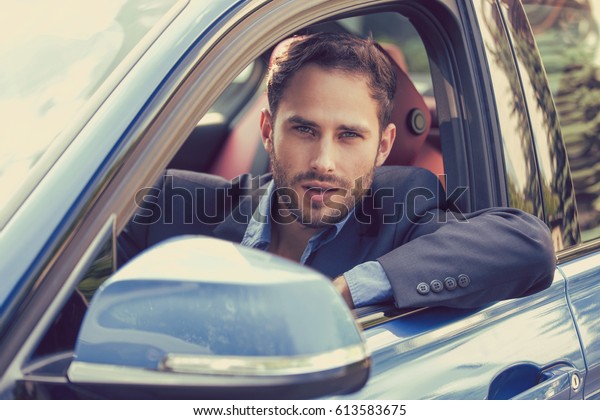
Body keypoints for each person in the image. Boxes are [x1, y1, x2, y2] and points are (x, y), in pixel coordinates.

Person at [118, 32, 556, 309]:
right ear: (268, 131)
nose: (323, 161)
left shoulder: (404, 208)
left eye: (349, 135)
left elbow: (528, 243)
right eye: (304, 129)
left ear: (383, 146)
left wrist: (343, 291)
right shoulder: (169, 205)